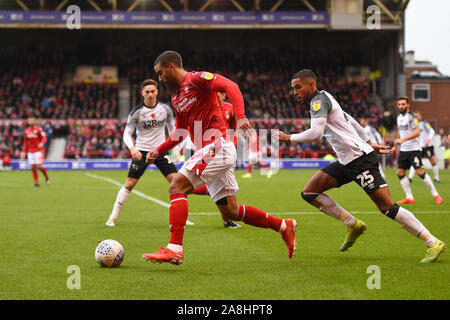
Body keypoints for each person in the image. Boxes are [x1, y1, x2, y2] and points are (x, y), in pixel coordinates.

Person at [142, 51, 297, 265]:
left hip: (218, 146)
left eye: (160, 73)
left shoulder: (196, 80)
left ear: (171, 67)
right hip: (212, 151)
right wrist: (158, 150)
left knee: (176, 187)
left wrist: (241, 116)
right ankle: (283, 226)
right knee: (231, 211)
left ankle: (174, 249)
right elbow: (180, 132)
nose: (160, 79)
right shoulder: (177, 98)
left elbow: (231, 86)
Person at [276, 69, 446, 263]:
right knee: (309, 193)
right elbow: (350, 119)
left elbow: (315, 134)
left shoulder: (317, 100)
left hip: (359, 160)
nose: (295, 92)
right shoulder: (325, 98)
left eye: (298, 87)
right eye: (293, 89)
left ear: (312, 85)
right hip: (346, 160)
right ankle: (353, 224)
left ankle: (432, 241)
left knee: (387, 207)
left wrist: (288, 137)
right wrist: (369, 141)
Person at [106, 79, 194, 227]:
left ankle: (182, 218)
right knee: (130, 183)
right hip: (141, 151)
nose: (150, 94)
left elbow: (173, 129)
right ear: (142, 93)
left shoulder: (165, 110)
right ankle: (113, 217)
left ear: (157, 92)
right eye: (147, 92)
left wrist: (175, 148)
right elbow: (127, 134)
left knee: (177, 183)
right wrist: (133, 148)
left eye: (153, 91)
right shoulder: (137, 113)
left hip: (160, 151)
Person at [393, 97, 442, 205]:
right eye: (399, 104)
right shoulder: (399, 117)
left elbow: (417, 132)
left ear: (408, 105)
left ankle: (436, 195)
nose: (401, 106)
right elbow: (399, 132)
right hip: (404, 150)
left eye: (403, 104)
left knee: (420, 172)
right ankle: (409, 197)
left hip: (414, 150)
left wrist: (403, 139)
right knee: (400, 172)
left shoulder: (412, 117)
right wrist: (395, 144)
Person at [407, 111, 440, 183]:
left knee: (431, 160)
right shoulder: (414, 124)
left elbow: (432, 131)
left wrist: (429, 139)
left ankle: (437, 178)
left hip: (427, 145)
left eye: (417, 116)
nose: (416, 117)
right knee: (415, 160)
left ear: (421, 116)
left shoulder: (424, 123)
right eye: (415, 116)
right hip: (419, 146)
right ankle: (410, 178)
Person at [21, 117, 50, 187]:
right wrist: (24, 151)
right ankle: (37, 183)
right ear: (28, 122)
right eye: (29, 120)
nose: (30, 121)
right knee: (33, 167)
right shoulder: (26, 131)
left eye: (31, 120)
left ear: (34, 122)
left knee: (39, 166)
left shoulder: (38, 129)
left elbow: (44, 137)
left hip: (38, 151)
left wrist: (42, 143)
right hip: (30, 151)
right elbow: (25, 142)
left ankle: (47, 177)